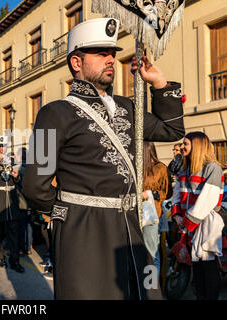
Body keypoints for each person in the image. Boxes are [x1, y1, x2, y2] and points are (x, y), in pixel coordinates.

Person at [22, 18, 185, 299]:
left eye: (112, 53)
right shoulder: (53, 113)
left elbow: (172, 129)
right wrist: (69, 216)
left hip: (132, 228)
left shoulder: (127, 107)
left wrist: (159, 83)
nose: (111, 59)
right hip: (85, 231)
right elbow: (35, 185)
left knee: (147, 292)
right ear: (77, 62)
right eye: (101, 53)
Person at [171, 132, 224, 300]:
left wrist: (186, 223)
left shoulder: (212, 168)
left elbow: (208, 199)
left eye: (186, 144)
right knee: (197, 269)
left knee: (208, 267)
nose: (182, 147)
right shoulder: (184, 169)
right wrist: (176, 215)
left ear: (198, 146)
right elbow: (176, 194)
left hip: (206, 225)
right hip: (190, 224)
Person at [0, 136, 24, 273]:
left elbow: (20, 181)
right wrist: (0, 164)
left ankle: (14, 261)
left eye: (4, 145)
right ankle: (0, 256)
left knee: (13, 232)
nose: (1, 148)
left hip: (11, 198)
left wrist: (17, 177)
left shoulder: (13, 160)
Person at [141, 141, 172, 277]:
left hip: (150, 214)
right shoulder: (137, 166)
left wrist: (150, 193)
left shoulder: (160, 168)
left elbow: (167, 192)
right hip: (133, 213)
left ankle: (151, 290)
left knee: (151, 253)